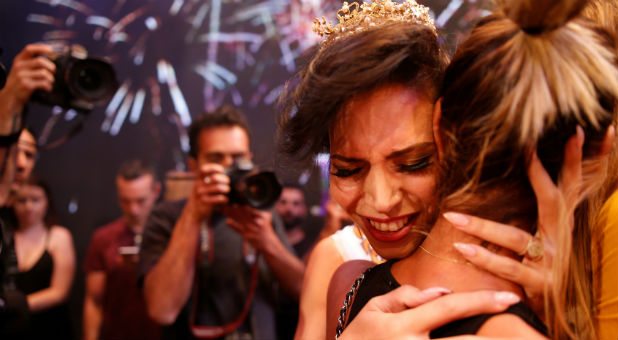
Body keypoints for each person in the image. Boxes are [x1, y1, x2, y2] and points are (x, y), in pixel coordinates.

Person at [279, 0, 615, 338]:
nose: (381, 201)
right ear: (601, 151)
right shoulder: (344, 277)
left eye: (413, 164)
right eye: (348, 170)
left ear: (441, 127)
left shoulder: (349, 286)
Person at [138, 105, 304, 339]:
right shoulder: (168, 216)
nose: (230, 168)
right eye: (216, 158)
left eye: (238, 158)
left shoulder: (261, 212)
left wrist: (267, 241)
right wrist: (193, 216)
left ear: (250, 159)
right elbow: (162, 310)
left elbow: (303, 291)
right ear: (194, 166)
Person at [83, 159, 162, 340]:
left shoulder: (173, 236)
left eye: (141, 201)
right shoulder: (104, 238)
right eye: (125, 201)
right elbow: (94, 300)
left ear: (156, 191)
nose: (133, 210)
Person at [12, 175, 75, 339]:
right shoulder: (6, 236)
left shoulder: (58, 236)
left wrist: (14, 306)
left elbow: (60, 292)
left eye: (35, 200)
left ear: (47, 201)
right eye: (21, 200)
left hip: (49, 326)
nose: (28, 207)